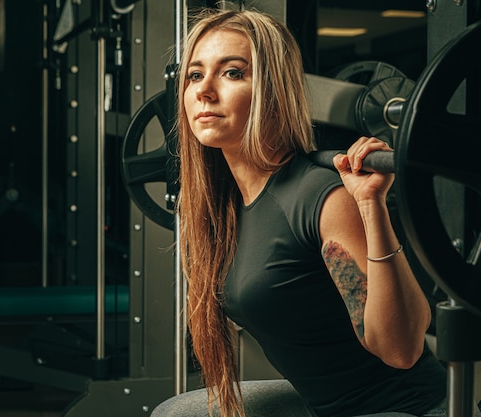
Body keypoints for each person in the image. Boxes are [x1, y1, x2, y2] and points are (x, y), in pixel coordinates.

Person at [153, 7, 461, 417]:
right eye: (195, 75)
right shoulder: (224, 205)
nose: (205, 91)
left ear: (272, 90)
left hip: (407, 409)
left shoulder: (321, 196)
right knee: (177, 414)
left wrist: (370, 205)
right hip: (325, 407)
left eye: (232, 73)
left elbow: (401, 350)